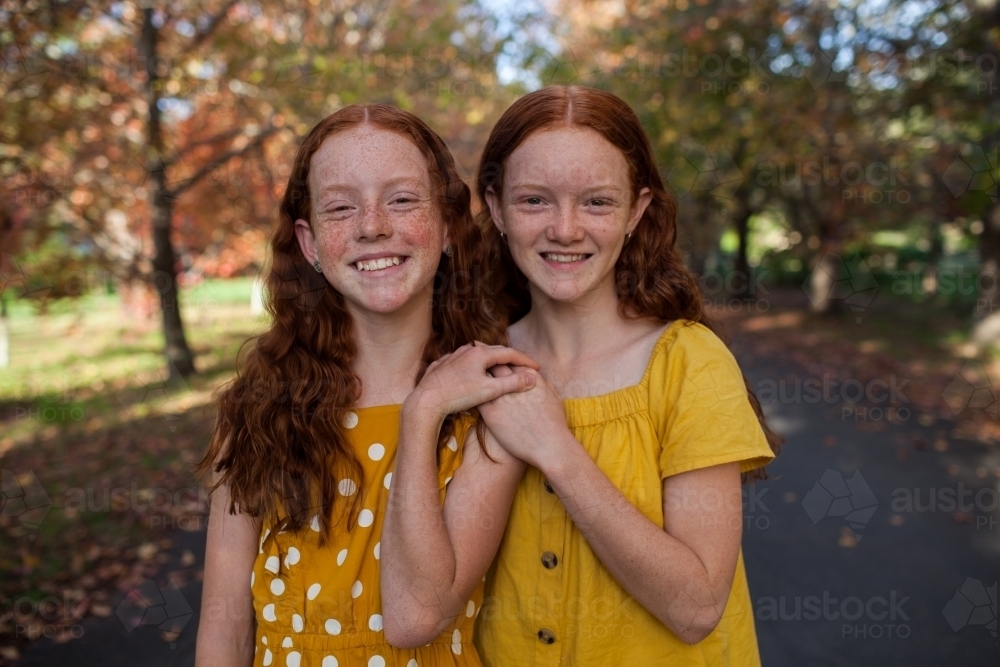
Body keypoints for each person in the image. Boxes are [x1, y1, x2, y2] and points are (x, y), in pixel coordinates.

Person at [382, 85, 782, 666]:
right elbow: (422, 604)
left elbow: (696, 607)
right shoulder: (478, 368)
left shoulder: (690, 363)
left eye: (596, 202)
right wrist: (421, 411)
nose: (565, 230)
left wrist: (556, 451)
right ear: (494, 208)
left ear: (636, 211)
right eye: (534, 201)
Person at [195, 103, 537, 667]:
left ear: (450, 224)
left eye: (402, 199)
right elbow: (223, 633)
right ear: (309, 244)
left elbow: (421, 614)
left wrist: (423, 408)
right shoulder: (256, 410)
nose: (372, 225)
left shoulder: (490, 405)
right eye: (340, 207)